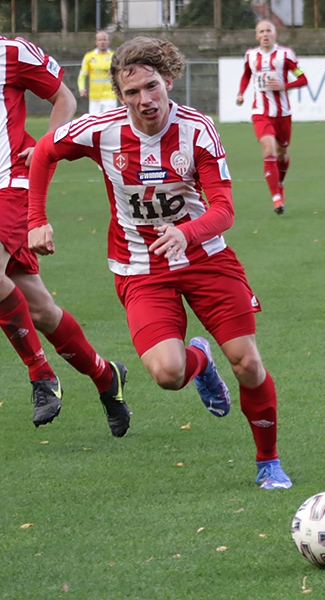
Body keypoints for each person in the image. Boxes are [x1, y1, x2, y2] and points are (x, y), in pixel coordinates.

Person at [27, 37, 292, 490]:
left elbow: (224, 208)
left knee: (247, 362)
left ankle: (268, 461)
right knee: (168, 374)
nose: (145, 100)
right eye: (132, 93)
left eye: (152, 87)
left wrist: (184, 232)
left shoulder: (197, 129)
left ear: (168, 81)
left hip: (205, 258)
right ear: (119, 94)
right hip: (140, 269)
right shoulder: (101, 130)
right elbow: (45, 152)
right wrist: (36, 219)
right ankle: (200, 362)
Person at [0, 35, 129, 436]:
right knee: (39, 309)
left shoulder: (13, 52)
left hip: (9, 184)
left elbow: (65, 100)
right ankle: (106, 375)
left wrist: (42, 148)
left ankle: (42, 374)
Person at [236, 19, 308, 215]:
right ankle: (277, 198)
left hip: (283, 114)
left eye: (269, 30)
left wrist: (285, 86)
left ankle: (280, 182)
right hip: (260, 113)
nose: (265, 34)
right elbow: (246, 75)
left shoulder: (285, 55)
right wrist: (241, 93)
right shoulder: (251, 56)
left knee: (282, 154)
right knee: (269, 151)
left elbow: (302, 78)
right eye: (261, 31)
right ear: (256, 36)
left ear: (275, 34)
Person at [78, 31, 118, 114]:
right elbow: (82, 75)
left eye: (104, 39)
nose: (102, 42)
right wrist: (81, 88)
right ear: (96, 42)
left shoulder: (114, 56)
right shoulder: (89, 56)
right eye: (100, 40)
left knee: (109, 122)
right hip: (94, 97)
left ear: (109, 41)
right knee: (95, 123)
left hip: (110, 96)